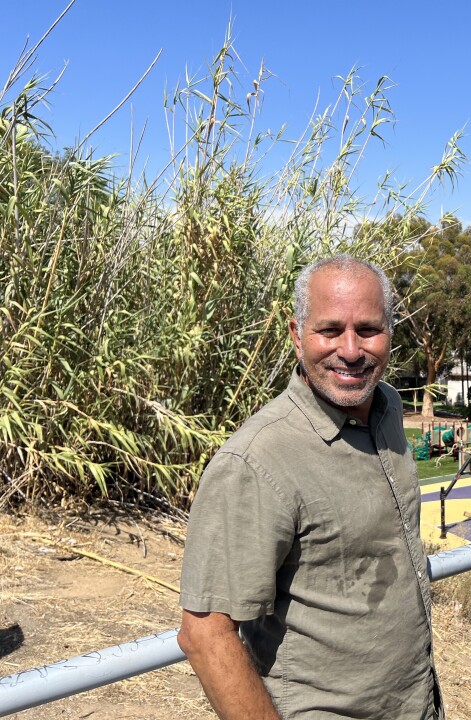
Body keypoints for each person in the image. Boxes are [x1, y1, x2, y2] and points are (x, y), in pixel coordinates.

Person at [177, 255, 442, 720]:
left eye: (368, 329)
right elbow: (204, 633)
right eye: (329, 329)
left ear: (391, 333)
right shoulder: (257, 461)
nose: (351, 349)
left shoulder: (388, 408)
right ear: (296, 334)